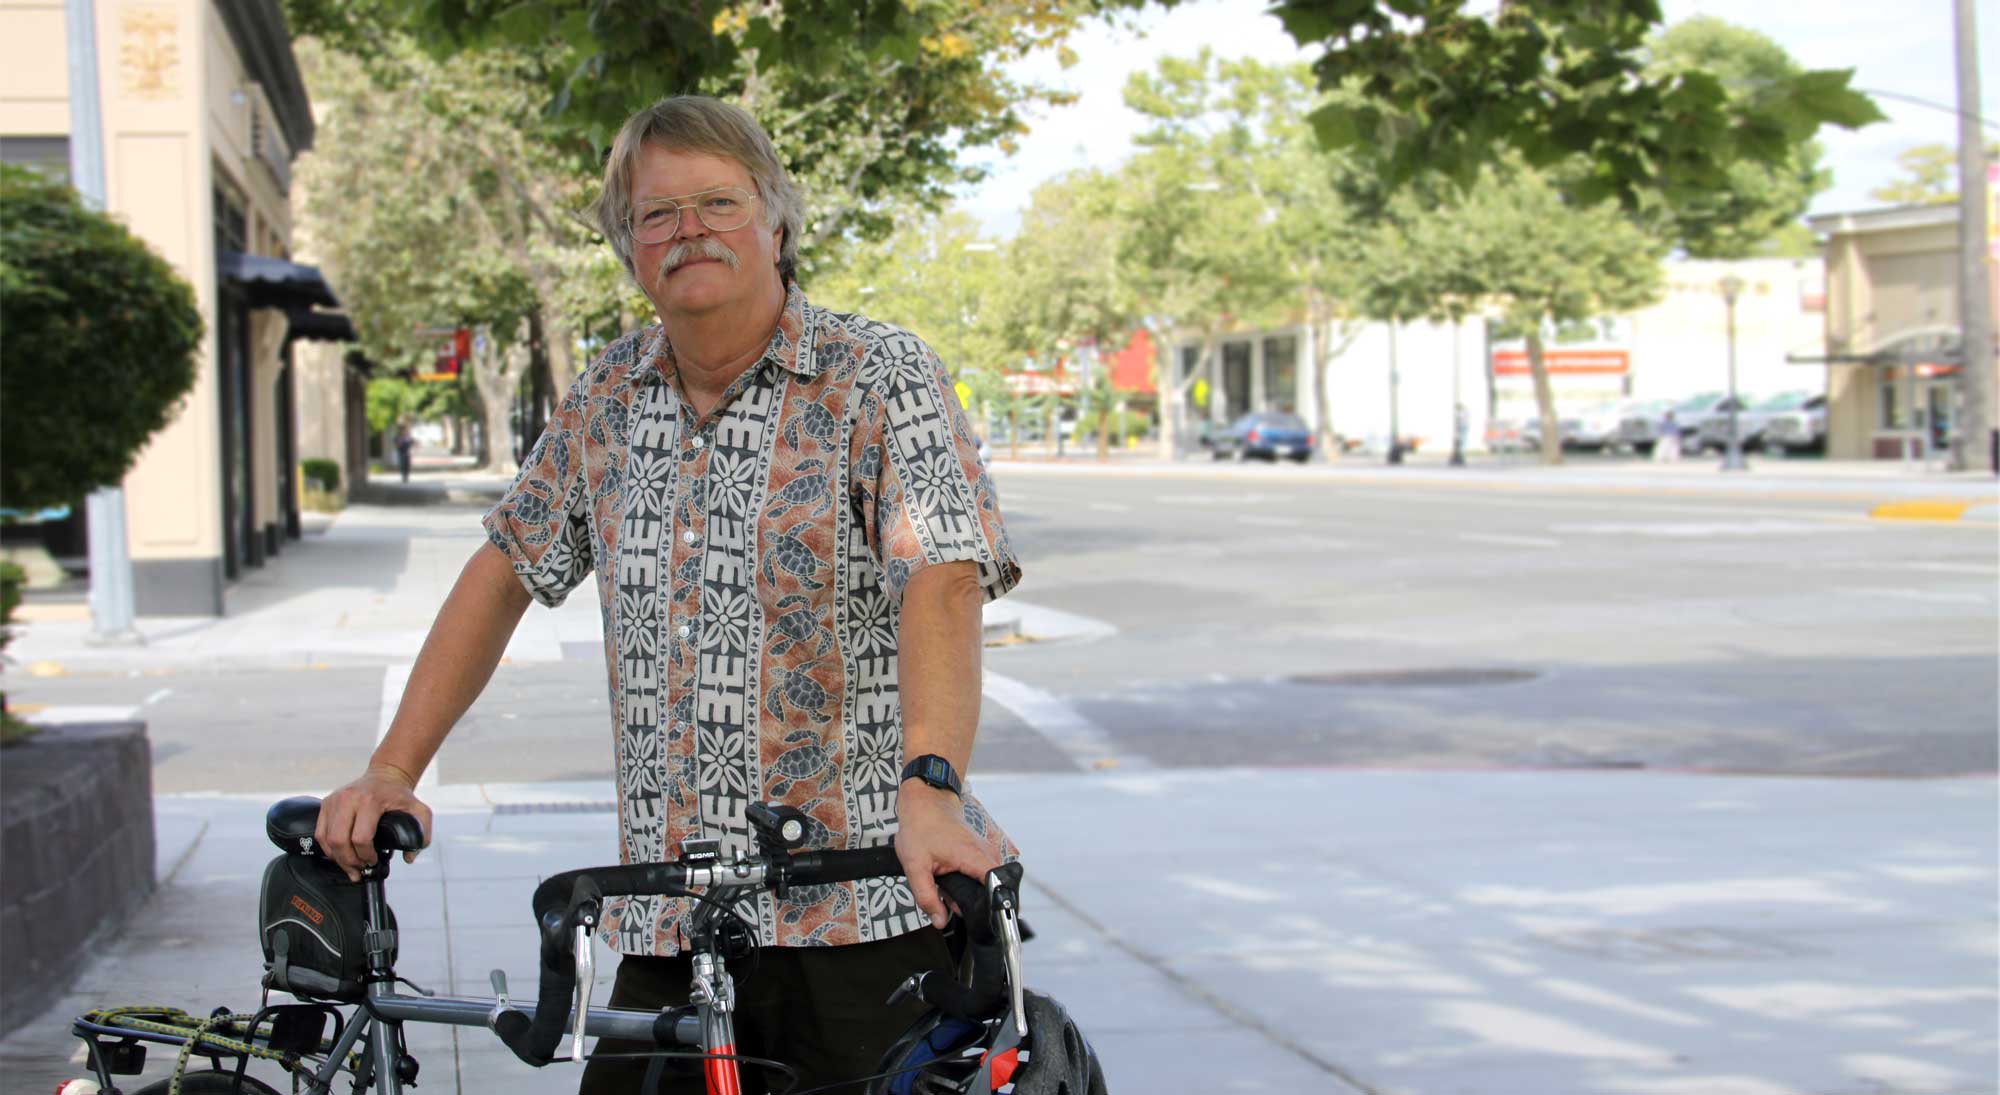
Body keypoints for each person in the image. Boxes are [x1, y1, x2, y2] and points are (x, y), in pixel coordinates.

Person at [312, 96, 1022, 1095]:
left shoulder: (877, 375)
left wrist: (932, 785)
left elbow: (941, 577)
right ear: (628, 252)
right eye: (656, 215)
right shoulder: (605, 397)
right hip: (669, 922)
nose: (689, 230)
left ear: (776, 222)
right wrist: (392, 769)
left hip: (865, 914)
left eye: (719, 202)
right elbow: (503, 569)